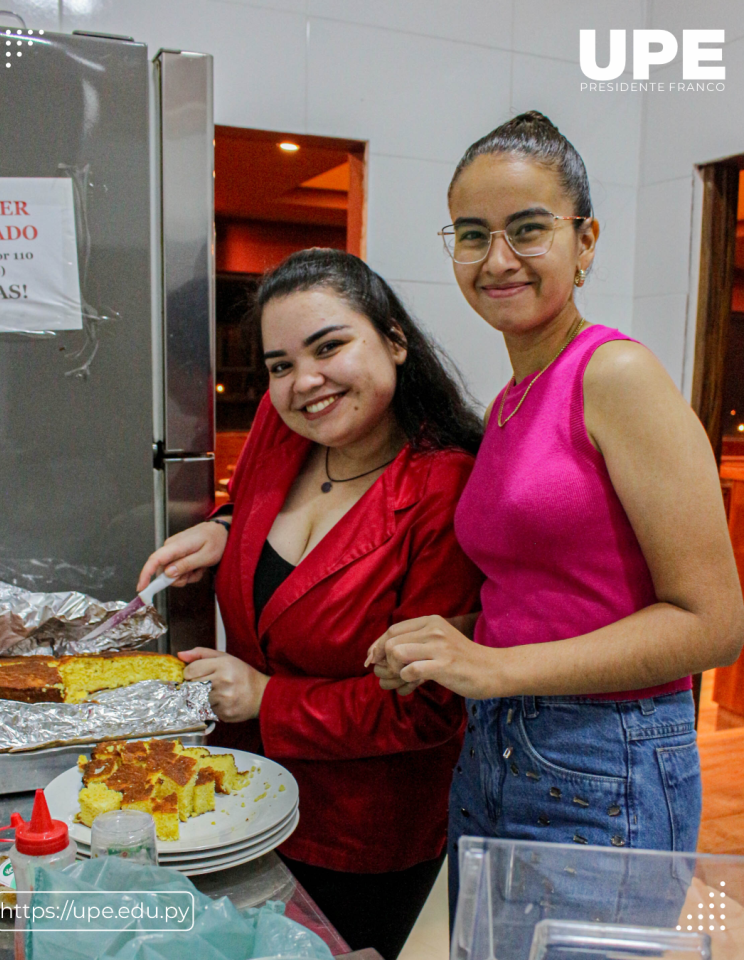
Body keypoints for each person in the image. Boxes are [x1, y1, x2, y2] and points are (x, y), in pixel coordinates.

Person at [367, 111, 744, 920]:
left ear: (586, 240)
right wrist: (447, 638)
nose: (497, 259)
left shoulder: (616, 376)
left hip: (607, 757)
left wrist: (496, 668)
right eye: (472, 235)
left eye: (527, 229)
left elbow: (714, 623)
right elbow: (555, 591)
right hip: (499, 742)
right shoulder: (508, 399)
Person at [138, 249, 484, 960]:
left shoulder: (443, 489)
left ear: (393, 338)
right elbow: (269, 517)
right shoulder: (281, 423)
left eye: (330, 347)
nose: (305, 382)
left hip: (361, 834)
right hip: (239, 798)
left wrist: (267, 698)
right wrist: (224, 527)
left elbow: (427, 705)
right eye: (281, 364)